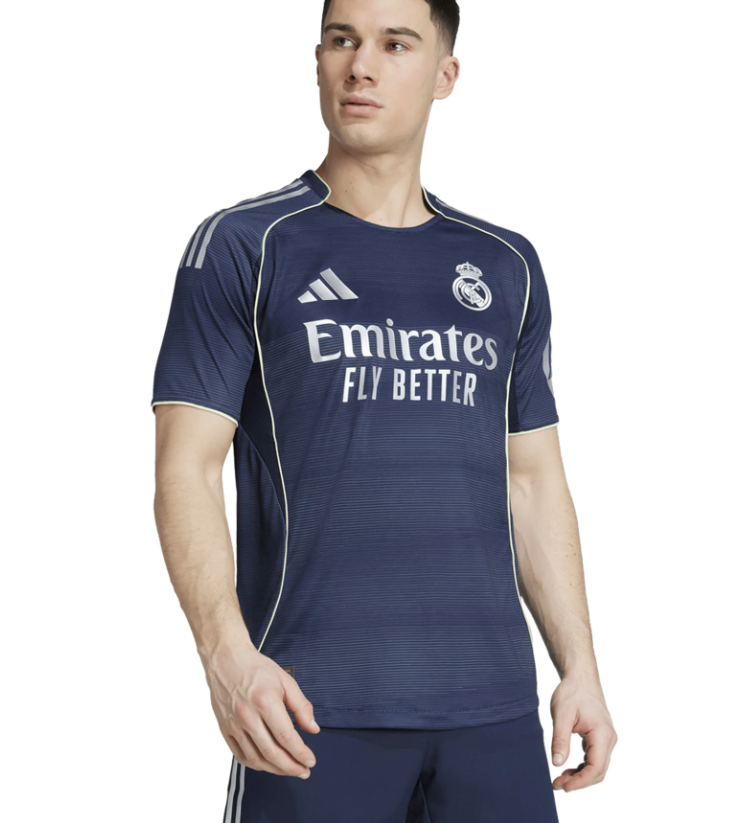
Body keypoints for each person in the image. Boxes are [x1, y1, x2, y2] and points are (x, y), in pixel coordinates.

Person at [150, 0, 618, 820]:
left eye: (396, 44)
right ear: (319, 60)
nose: (360, 66)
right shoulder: (246, 244)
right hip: (308, 711)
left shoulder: (503, 264)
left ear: (445, 75)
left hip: (494, 715)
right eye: (342, 40)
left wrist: (579, 666)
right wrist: (226, 657)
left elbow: (534, 480)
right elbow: (184, 469)